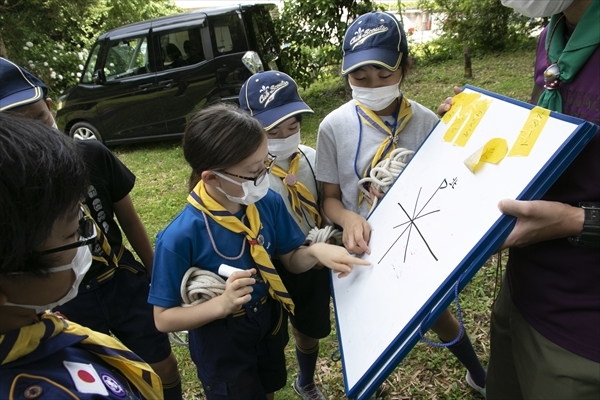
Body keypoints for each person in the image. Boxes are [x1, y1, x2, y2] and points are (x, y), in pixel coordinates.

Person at [315, 11, 487, 396]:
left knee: (435, 311)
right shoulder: (333, 127)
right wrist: (347, 219)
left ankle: (477, 373)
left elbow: (445, 181)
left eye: (383, 75)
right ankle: (368, 383)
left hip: (414, 236)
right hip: (361, 246)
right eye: (359, 78)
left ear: (406, 66)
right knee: (367, 325)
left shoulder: (426, 121)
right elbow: (329, 199)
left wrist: (456, 130)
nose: (371, 85)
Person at [147, 103, 370, 400]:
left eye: (266, 163)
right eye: (254, 172)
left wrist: (316, 252)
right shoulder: (179, 237)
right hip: (222, 337)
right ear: (212, 178)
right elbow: (163, 318)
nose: (264, 177)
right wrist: (222, 304)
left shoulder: (267, 203)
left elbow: (290, 259)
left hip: (268, 319)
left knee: (267, 388)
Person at [438, 1, 599, 398]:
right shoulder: (554, 37)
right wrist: (482, 125)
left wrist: (577, 221)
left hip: (580, 327)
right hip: (523, 290)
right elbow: (546, 134)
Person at [0, 57, 183, 400]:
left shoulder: (92, 154)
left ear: (50, 107)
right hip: (71, 295)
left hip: (121, 279)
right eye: (16, 126)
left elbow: (128, 218)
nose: (37, 134)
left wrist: (155, 271)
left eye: (40, 118)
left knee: (162, 363)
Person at [239, 71, 332, 400]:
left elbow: (327, 200)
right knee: (271, 335)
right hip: (269, 267)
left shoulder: (309, 156)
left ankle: (306, 381)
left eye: (292, 127)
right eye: (272, 132)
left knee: (309, 328)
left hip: (314, 259)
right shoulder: (245, 176)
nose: (284, 137)